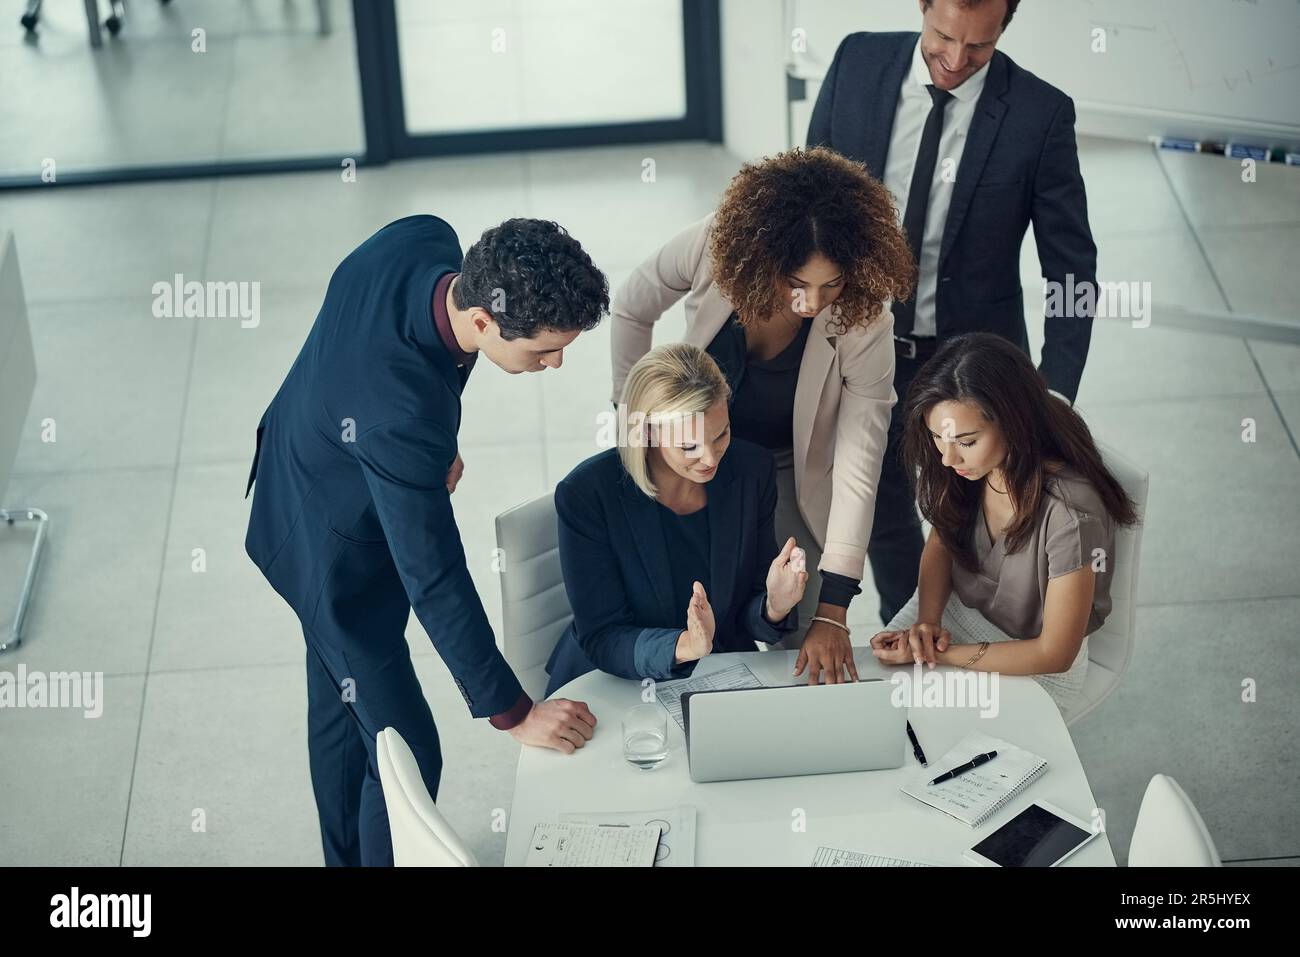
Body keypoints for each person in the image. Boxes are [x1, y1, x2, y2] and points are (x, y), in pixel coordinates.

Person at [243, 214, 609, 866]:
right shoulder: (399, 414)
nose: (555, 363)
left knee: (340, 703)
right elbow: (434, 575)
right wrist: (514, 710)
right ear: (482, 322)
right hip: (326, 552)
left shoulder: (424, 239)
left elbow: (372, 342)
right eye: (544, 350)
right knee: (407, 747)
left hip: (312, 451)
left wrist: (427, 445)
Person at [807, 0, 1099, 625]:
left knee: (969, 509)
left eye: (978, 49)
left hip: (971, 361)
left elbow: (1070, 265)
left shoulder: (1039, 115)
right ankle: (904, 621)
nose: (954, 62)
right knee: (878, 500)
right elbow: (807, 197)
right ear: (923, 8)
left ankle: (977, 631)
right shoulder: (858, 62)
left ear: (1004, 29)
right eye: (942, 37)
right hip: (864, 343)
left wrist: (1057, 390)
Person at [610, 146, 914, 685]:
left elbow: (858, 465)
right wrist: (637, 419)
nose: (811, 303)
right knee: (686, 622)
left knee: (804, 633)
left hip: (796, 473)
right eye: (796, 283)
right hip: (699, 461)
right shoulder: (715, 245)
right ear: (762, 257)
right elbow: (633, 305)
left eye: (831, 283)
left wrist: (835, 609)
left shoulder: (867, 321)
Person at [868, 333, 1138, 714]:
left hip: (1034, 664)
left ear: (1014, 422)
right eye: (937, 439)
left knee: (925, 734)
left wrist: (941, 656)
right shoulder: (965, 465)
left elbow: (1054, 653)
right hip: (952, 615)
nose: (946, 458)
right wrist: (926, 624)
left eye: (966, 441)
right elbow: (941, 543)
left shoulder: (1071, 515)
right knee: (876, 706)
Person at [546, 343, 808, 696]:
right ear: (648, 433)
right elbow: (602, 634)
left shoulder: (752, 470)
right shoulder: (587, 494)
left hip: (716, 673)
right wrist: (684, 646)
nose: (711, 458)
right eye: (689, 447)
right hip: (613, 680)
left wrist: (774, 605)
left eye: (721, 435)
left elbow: (740, 614)